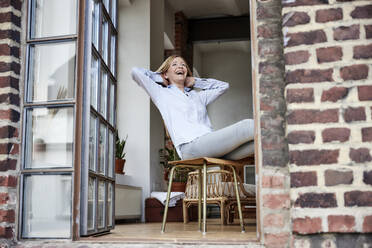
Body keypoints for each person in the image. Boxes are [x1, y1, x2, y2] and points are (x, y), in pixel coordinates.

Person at [131, 55, 254, 161]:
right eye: (174, 64)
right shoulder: (161, 94)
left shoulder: (197, 97)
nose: (180, 67)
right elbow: (136, 72)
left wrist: (196, 82)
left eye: (183, 65)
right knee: (247, 125)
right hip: (190, 147)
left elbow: (223, 86)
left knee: (258, 145)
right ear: (166, 73)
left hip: (208, 144)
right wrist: (160, 78)